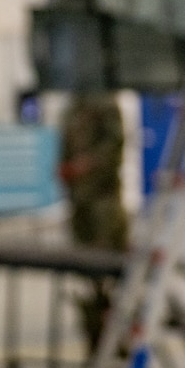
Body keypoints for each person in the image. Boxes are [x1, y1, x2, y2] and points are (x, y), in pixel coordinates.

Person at [61, 87, 130, 351]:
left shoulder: (105, 104)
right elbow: (65, 148)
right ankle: (96, 340)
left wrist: (86, 165)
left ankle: (119, 339)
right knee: (87, 277)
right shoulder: (72, 107)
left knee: (113, 274)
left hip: (104, 203)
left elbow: (115, 148)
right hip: (80, 202)